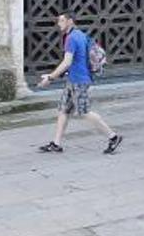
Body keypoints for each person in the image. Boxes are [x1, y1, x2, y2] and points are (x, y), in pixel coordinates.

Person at [38, 12, 122, 154]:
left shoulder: (71, 38)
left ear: (70, 21)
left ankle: (113, 137)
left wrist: (50, 78)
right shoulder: (81, 35)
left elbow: (67, 62)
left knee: (85, 112)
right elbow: (77, 61)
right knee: (64, 110)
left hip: (79, 81)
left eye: (62, 21)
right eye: (58, 21)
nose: (59, 23)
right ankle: (56, 144)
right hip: (74, 79)